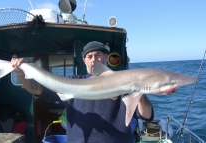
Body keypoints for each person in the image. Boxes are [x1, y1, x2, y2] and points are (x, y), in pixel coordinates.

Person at [11, 41, 154, 143]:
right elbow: (38, 90)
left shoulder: (124, 82)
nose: (94, 60)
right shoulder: (72, 81)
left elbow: (146, 116)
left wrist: (139, 90)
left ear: (105, 58)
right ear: (84, 60)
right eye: (89, 57)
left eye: (98, 55)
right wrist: (21, 75)